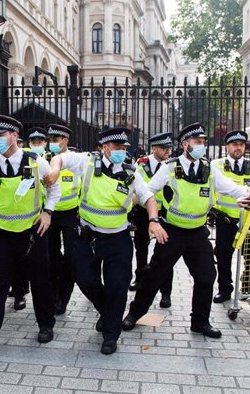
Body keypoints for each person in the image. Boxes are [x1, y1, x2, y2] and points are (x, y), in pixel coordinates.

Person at [122, 123, 250, 340]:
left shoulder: (210, 170)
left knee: (206, 277)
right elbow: (148, 192)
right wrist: (137, 213)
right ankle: (135, 313)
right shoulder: (170, 167)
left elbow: (232, 188)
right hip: (172, 232)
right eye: (197, 142)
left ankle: (200, 322)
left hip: (198, 234)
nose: (201, 145)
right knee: (154, 275)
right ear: (185, 144)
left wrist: (249, 194)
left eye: (203, 142)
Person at [47, 127, 168, 355]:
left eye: (124, 148)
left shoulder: (132, 173)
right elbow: (60, 158)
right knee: (85, 280)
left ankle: (111, 335)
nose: (121, 152)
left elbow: (148, 197)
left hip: (118, 241)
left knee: (117, 286)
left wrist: (153, 220)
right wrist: (54, 171)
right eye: (117, 148)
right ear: (104, 147)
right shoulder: (88, 163)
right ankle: (107, 311)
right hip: (88, 237)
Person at [0, 115, 61, 361]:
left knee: (40, 281)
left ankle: (46, 324)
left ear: (15, 135)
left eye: (1, 135)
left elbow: (54, 188)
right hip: (1, 235)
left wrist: (48, 212)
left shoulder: (36, 162)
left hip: (32, 233)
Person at [211, 130, 250, 302]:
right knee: (223, 255)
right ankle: (225, 289)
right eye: (235, 144)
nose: (238, 148)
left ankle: (246, 284)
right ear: (227, 146)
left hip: (249, 220)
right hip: (225, 219)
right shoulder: (216, 165)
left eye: (241, 145)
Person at [130, 132, 174, 309]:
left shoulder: (172, 165)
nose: (167, 151)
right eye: (164, 148)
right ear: (154, 148)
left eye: (169, 148)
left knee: (166, 253)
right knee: (141, 248)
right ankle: (139, 278)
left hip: (164, 213)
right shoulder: (141, 164)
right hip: (143, 212)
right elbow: (132, 182)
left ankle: (165, 292)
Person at [45, 123, 80, 315]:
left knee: (71, 257)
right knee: (51, 256)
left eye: (56, 140)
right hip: (49, 214)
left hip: (70, 214)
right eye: (50, 140)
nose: (52, 143)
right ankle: (53, 292)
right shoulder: (43, 160)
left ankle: (63, 298)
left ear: (65, 140)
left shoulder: (75, 162)